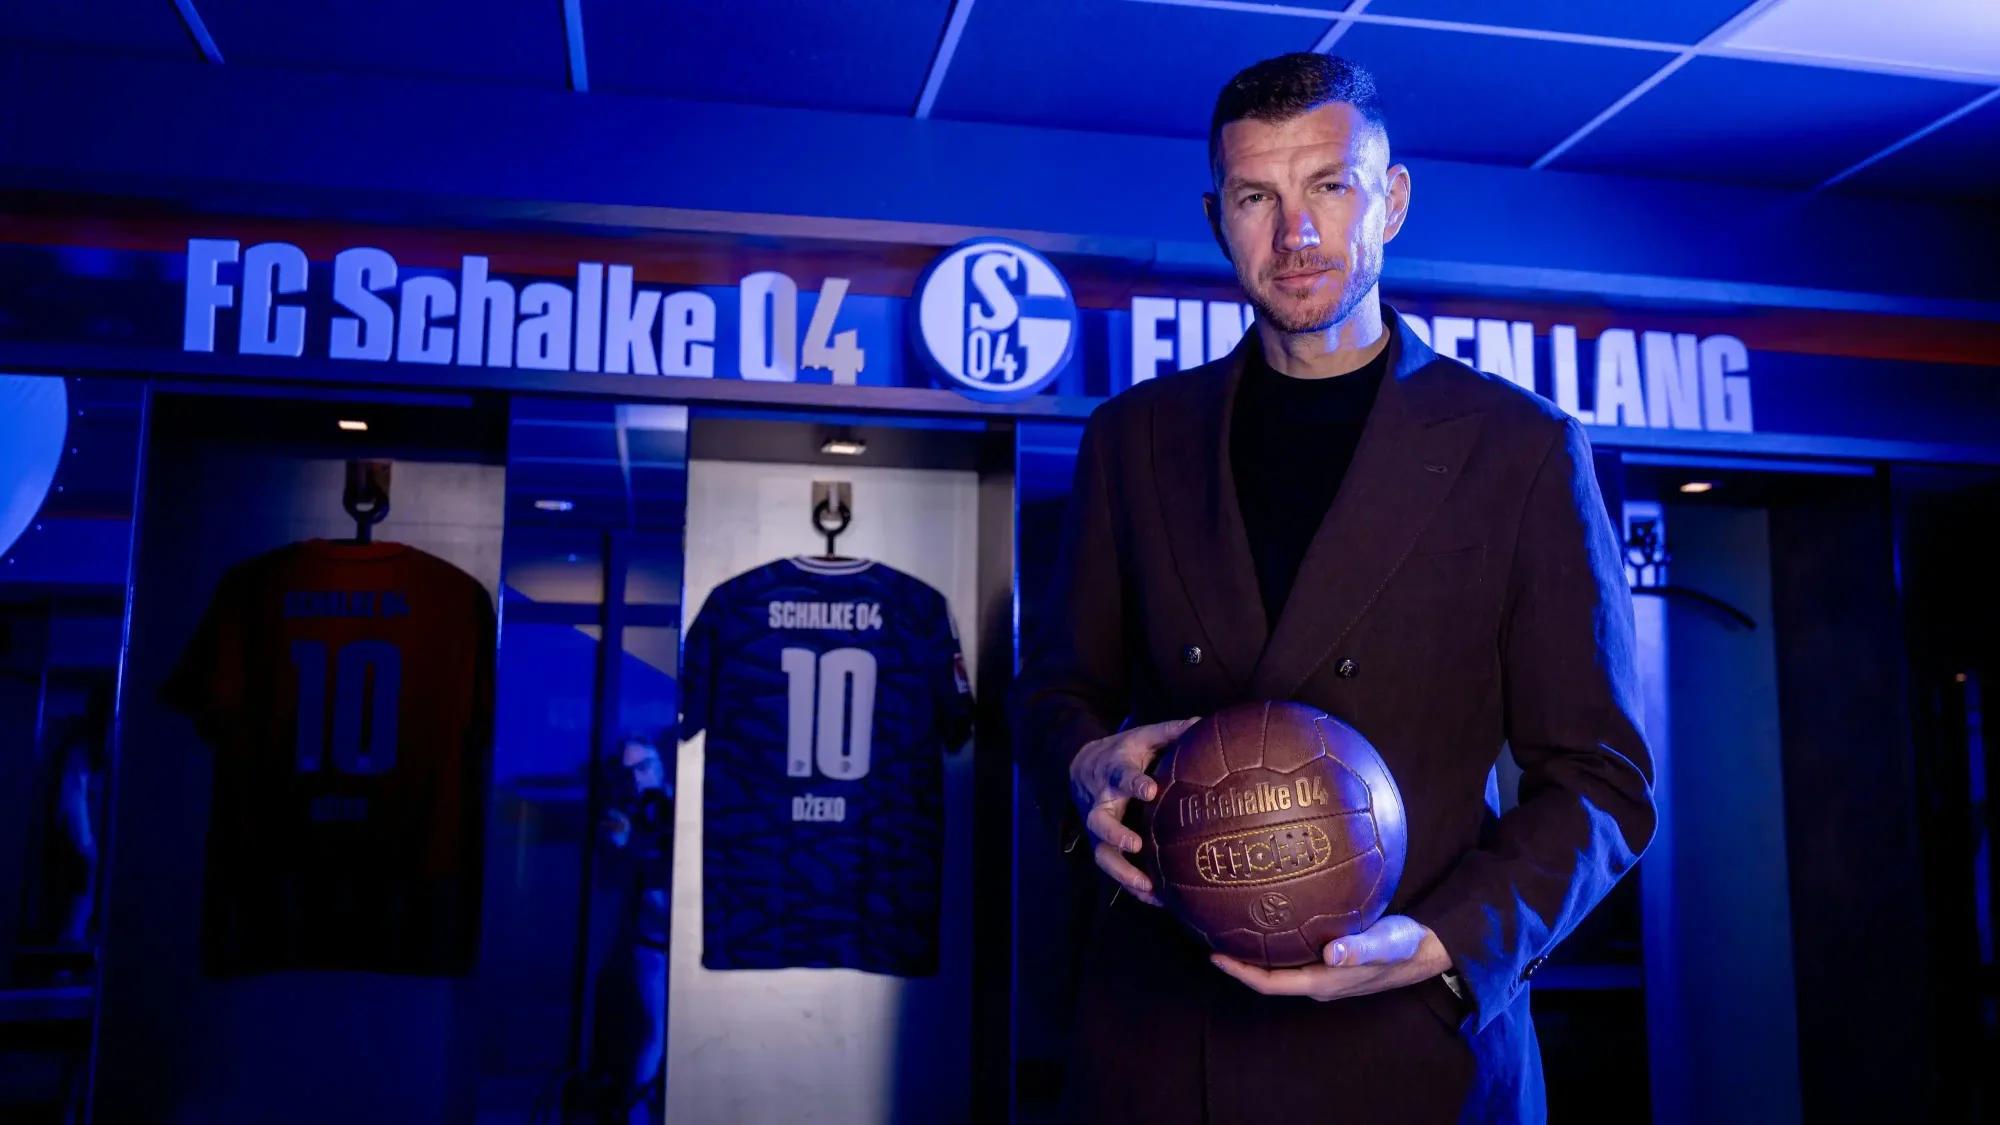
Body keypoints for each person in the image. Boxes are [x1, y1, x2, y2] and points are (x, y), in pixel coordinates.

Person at [1011, 53, 1656, 1124]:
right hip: (1164, 1051)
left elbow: (1600, 779)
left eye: (1328, 186)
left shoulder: (1520, 449)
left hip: (1412, 1050)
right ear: (1218, 217)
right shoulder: (1132, 440)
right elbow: (1052, 692)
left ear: (1389, 200)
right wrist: (1081, 763)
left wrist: (1447, 948)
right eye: (1257, 197)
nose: (1293, 232)